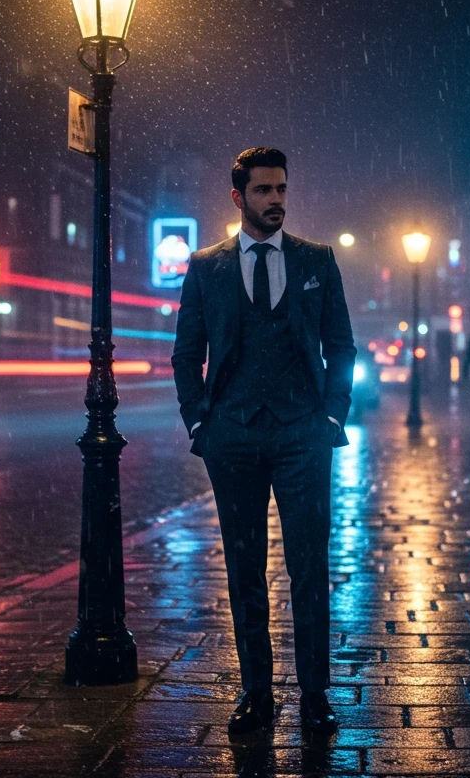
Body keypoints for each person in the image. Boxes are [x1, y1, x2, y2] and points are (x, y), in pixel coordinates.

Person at [171, 147, 356, 736]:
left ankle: (315, 694)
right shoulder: (207, 267)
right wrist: (199, 423)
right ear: (238, 197)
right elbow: (186, 353)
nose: (276, 199)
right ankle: (255, 693)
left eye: (281, 189)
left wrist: (332, 416)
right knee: (244, 566)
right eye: (264, 191)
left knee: (309, 564)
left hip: (304, 433)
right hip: (233, 436)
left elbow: (342, 346)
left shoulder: (317, 260)